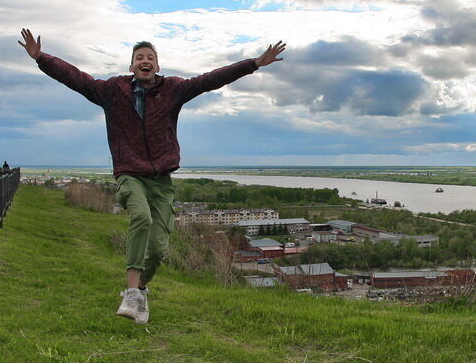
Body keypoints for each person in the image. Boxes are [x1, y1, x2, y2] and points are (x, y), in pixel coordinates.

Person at [18, 28, 286, 324]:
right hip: (130, 174)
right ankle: (131, 293)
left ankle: (142, 292)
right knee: (141, 218)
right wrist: (41, 58)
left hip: (162, 179)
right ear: (131, 66)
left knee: (158, 249)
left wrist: (254, 63)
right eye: (139, 58)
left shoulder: (173, 89)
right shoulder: (111, 92)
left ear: (157, 66)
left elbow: (210, 79)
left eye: (150, 58)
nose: (145, 61)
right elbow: (76, 78)